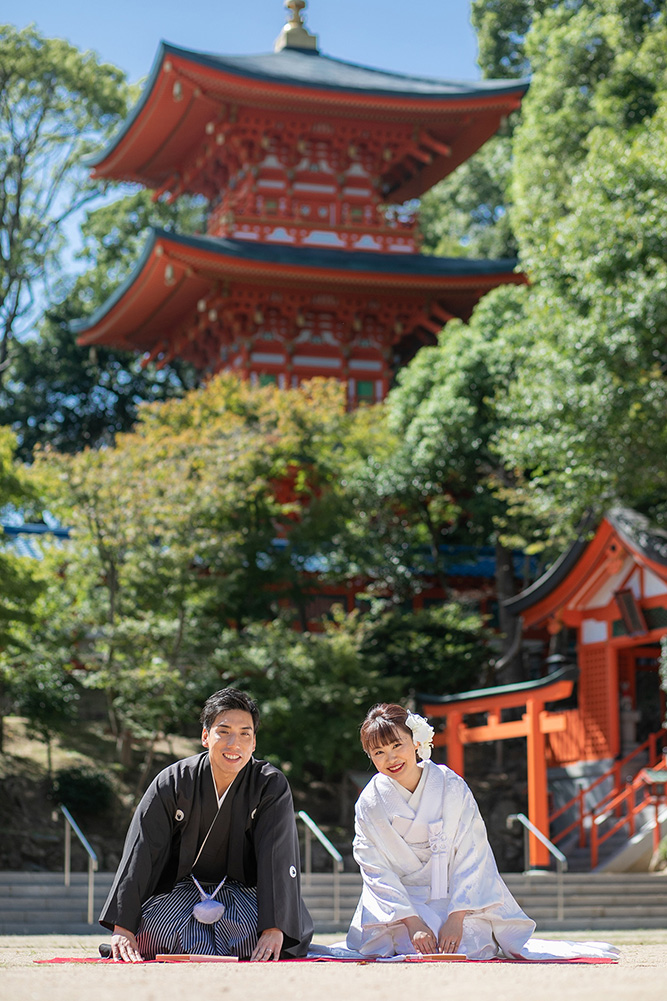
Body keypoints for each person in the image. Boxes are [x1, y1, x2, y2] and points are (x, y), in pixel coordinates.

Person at [346, 703, 618, 961]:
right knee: (409, 942)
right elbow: (374, 866)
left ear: (415, 741)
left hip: (455, 898)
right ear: (370, 756)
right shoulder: (370, 801)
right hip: (402, 905)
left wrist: (457, 915)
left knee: (468, 942)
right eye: (378, 752)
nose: (391, 758)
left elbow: (472, 851)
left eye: (397, 745)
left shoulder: (450, 786)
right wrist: (411, 920)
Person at [100, 688, 313, 962]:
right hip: (181, 893)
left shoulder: (269, 785)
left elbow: (278, 858)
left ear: (254, 743)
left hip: (246, 895)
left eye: (244, 734)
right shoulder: (173, 783)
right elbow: (141, 854)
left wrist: (274, 927)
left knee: (263, 939)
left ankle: (203, 945)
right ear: (205, 736)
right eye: (223, 731)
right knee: (151, 933)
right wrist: (124, 927)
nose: (233, 743)